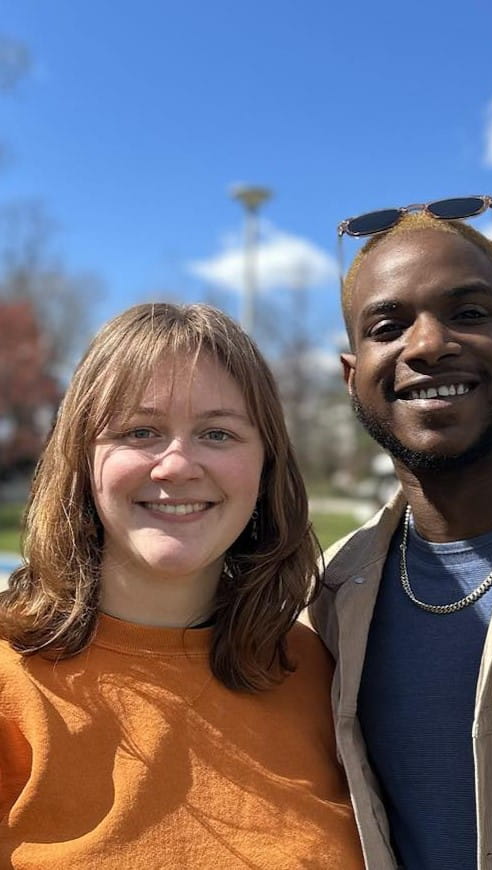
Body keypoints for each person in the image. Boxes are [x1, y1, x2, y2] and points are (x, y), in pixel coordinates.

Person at [0, 302, 364, 869]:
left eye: (217, 433)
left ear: (266, 466)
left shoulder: (321, 674)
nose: (177, 466)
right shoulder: (8, 680)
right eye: (140, 431)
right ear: (80, 456)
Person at [311, 199, 492, 870]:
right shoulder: (325, 607)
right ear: (353, 379)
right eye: (388, 324)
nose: (429, 345)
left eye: (466, 314)